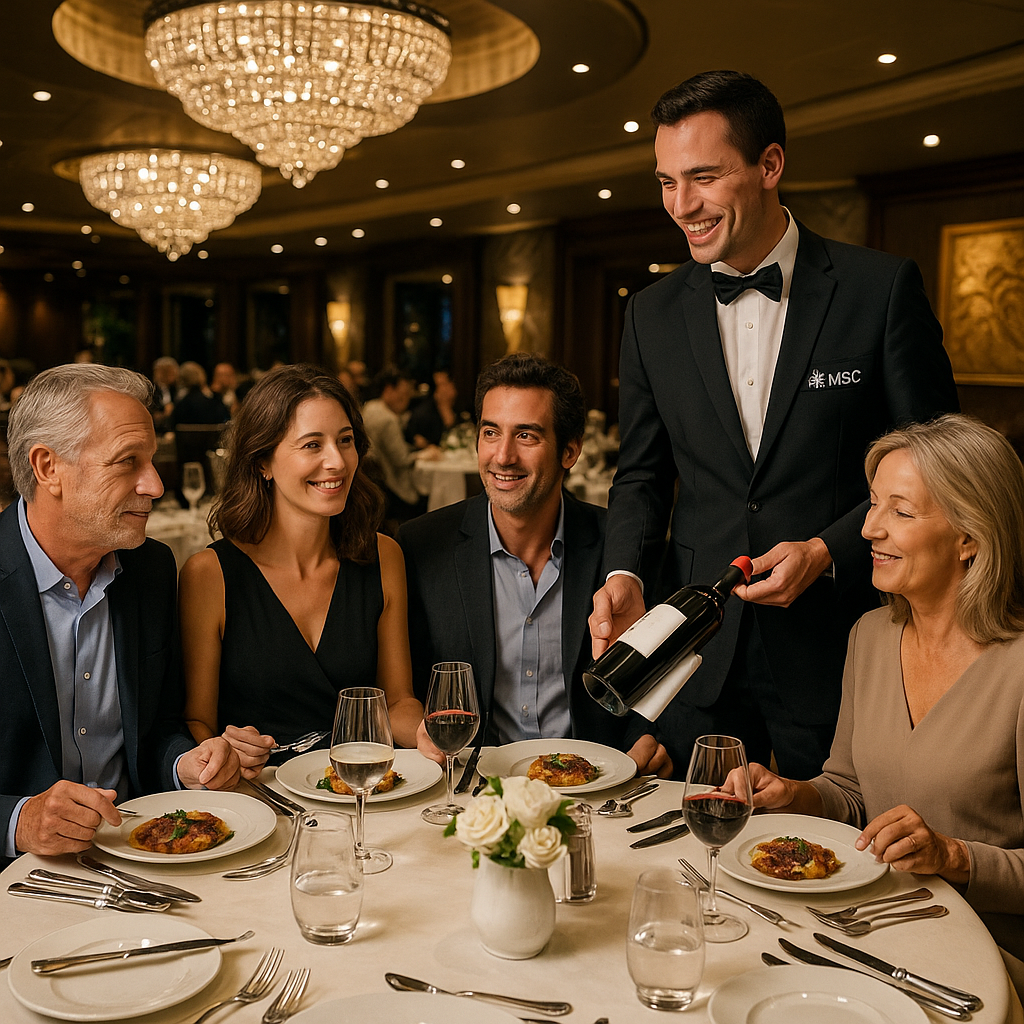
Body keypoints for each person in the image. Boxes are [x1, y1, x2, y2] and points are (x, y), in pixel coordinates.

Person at [589, 70, 959, 779]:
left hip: (841, 643)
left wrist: (828, 548)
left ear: (770, 165)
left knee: (828, 858)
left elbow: (941, 462)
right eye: (665, 181)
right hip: (701, 654)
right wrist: (626, 570)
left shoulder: (878, 291)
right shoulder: (652, 314)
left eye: (703, 176)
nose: (681, 205)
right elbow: (640, 473)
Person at [735, 414, 1024, 961]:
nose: (869, 529)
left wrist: (953, 855)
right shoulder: (870, 635)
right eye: (873, 503)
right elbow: (850, 791)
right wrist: (792, 792)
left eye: (902, 511)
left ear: (970, 537)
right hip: (871, 932)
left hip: (983, 960)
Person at [0, 364, 240, 860]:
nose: (154, 485)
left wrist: (186, 763)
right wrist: (19, 821)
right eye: (127, 461)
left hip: (138, 854)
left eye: (151, 461)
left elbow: (155, 731)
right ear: (48, 468)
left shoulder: (150, 570)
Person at [400, 353, 671, 776]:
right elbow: (403, 688)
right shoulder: (421, 547)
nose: (503, 456)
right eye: (491, 433)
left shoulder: (621, 553)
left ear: (570, 450)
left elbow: (665, 678)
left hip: (595, 788)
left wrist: (653, 739)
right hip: (474, 791)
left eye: (526, 436)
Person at [179, 364, 425, 779]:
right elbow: (195, 722)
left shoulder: (383, 556)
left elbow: (398, 701)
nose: (337, 461)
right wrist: (218, 747)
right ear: (262, 462)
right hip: (259, 797)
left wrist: (426, 731)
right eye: (312, 445)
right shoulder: (210, 574)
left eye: (345, 441)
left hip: (359, 787)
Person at [362, 370, 438, 524]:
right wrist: (424, 454)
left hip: (371, 483)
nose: (406, 399)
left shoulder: (370, 407)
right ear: (389, 390)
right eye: (403, 394)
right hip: (391, 489)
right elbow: (401, 460)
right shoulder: (388, 419)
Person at [405, 369, 460, 449]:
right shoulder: (422, 414)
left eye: (448, 383)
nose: (449, 387)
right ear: (435, 392)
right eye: (442, 385)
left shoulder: (460, 409)